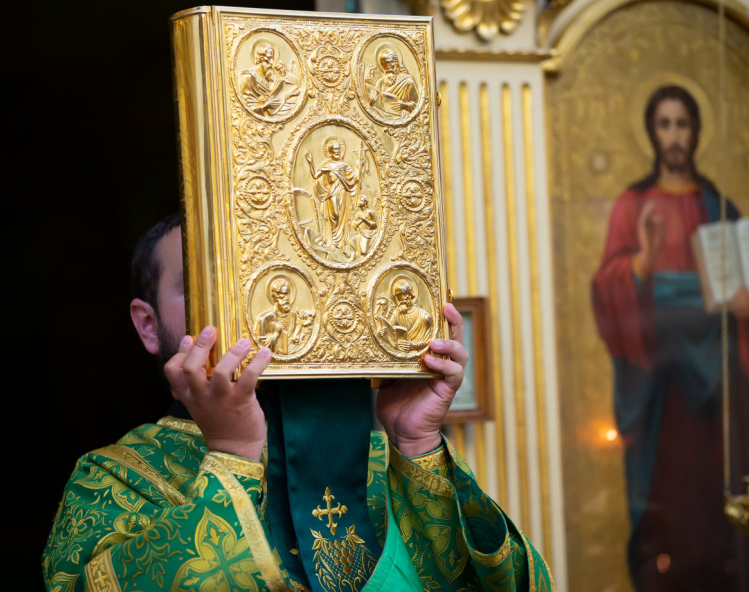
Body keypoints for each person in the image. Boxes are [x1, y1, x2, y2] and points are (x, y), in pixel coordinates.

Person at [43, 215, 551, 591]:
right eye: (210, 282)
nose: (246, 307)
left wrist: (415, 441)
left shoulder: (381, 460)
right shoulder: (114, 478)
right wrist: (232, 455)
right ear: (148, 325)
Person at [591, 85, 749, 590]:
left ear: (696, 132)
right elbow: (607, 290)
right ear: (652, 133)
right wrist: (644, 261)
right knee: (668, 494)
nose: (674, 136)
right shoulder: (632, 205)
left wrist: (748, 310)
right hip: (662, 386)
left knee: (715, 494)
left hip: (717, 388)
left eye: (683, 124)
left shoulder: (719, 206)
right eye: (665, 124)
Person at [305, 137, 365, 258]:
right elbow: (315, 176)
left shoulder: (344, 166)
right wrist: (310, 163)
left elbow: (354, 180)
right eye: (335, 150)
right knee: (334, 215)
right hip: (332, 194)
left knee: (342, 219)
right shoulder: (327, 166)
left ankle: (342, 246)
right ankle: (332, 241)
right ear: (330, 152)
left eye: (338, 149)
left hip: (342, 194)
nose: (337, 151)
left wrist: (359, 164)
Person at [239, 41, 301, 119]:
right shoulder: (248, 77)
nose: (271, 62)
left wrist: (285, 74)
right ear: (260, 59)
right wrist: (265, 106)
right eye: (268, 58)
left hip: (279, 113)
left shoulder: (272, 78)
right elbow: (245, 107)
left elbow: (298, 86)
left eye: (272, 58)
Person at [254, 275, 313, 355]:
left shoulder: (294, 316)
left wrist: (303, 323)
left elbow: (299, 342)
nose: (287, 298)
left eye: (288, 294)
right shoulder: (264, 319)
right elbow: (259, 348)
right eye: (284, 294)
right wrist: (276, 334)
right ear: (275, 296)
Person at [365, 47, 418, 118]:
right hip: (383, 116)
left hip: (401, 116)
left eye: (389, 62)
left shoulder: (407, 81)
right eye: (384, 64)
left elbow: (416, 106)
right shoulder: (381, 82)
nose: (387, 66)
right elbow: (371, 103)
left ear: (396, 63)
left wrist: (404, 105)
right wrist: (368, 81)